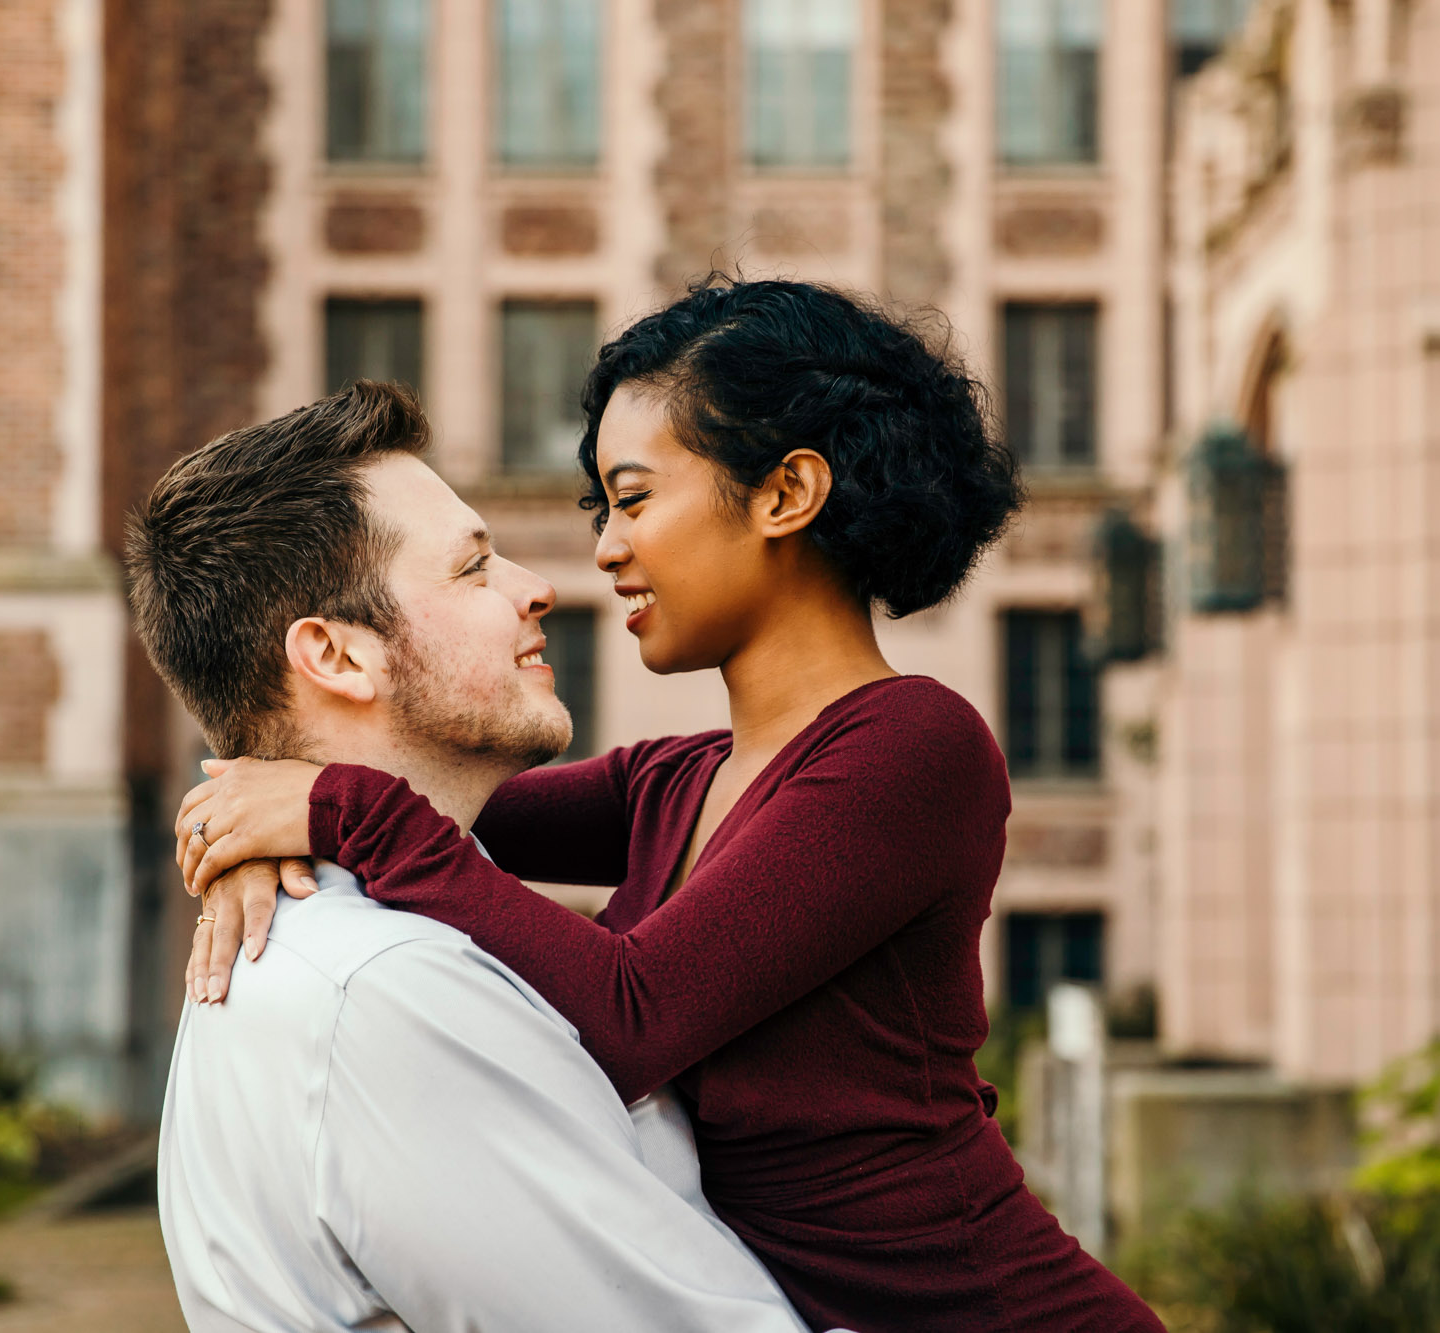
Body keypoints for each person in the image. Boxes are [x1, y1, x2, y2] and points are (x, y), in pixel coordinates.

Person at [179, 278, 1166, 1331]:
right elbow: (422, 800)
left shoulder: (911, 749)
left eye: (635, 497)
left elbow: (634, 1013)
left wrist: (341, 813)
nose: (603, 547)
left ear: (785, 493)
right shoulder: (673, 781)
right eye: (600, 506)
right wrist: (256, 819)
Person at [124, 383, 821, 1333]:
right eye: (472, 566)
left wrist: (282, 804)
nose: (537, 585)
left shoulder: (367, 938)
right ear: (335, 655)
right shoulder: (388, 992)